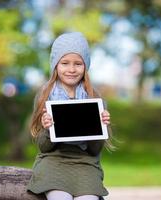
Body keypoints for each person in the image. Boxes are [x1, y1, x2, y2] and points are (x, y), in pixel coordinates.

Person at [27, 32, 111, 200]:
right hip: (53, 160)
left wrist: (101, 126)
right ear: (55, 65)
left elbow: (95, 149)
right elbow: (44, 148)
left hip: (85, 162)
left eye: (78, 64)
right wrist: (47, 128)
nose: (71, 69)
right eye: (65, 63)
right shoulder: (46, 95)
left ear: (85, 66)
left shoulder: (94, 97)